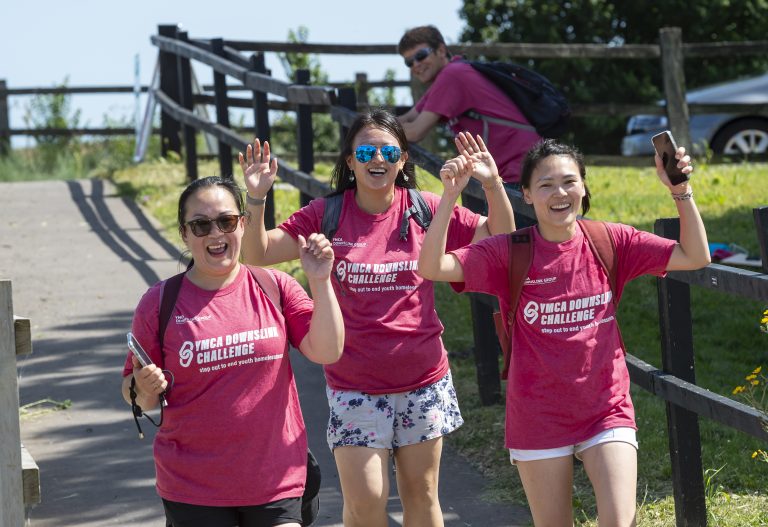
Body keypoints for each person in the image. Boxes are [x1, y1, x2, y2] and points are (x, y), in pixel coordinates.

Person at [238, 108, 515, 527]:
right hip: (355, 386)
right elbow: (258, 254)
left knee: (421, 497)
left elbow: (500, 239)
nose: (377, 159)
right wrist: (257, 197)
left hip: (423, 381)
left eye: (388, 151)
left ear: (403, 159)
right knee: (366, 502)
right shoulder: (327, 214)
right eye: (365, 150)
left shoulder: (425, 209)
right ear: (350, 161)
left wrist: (492, 184)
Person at [418, 139, 710, 526]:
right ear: (526, 193)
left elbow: (695, 256)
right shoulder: (509, 251)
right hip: (538, 415)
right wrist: (452, 194)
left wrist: (680, 191)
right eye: (546, 184)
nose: (559, 193)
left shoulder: (610, 241)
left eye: (569, 181)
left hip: (607, 409)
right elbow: (433, 267)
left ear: (585, 187)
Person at [120, 175, 344, 527]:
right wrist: (144, 388)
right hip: (193, 486)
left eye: (225, 221)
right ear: (184, 233)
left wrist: (319, 280)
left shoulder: (274, 286)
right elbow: (138, 397)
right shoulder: (159, 302)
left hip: (276, 477)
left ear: (243, 224)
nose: (215, 234)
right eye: (200, 225)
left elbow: (327, 350)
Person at [397, 25, 541, 227]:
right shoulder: (450, 74)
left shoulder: (452, 75)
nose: (416, 64)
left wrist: (369, 133)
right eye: (409, 62)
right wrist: (373, 124)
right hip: (504, 174)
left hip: (515, 174)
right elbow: (409, 117)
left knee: (507, 251)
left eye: (421, 55)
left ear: (440, 50)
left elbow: (415, 131)